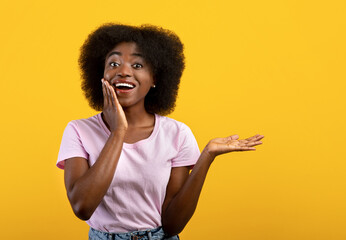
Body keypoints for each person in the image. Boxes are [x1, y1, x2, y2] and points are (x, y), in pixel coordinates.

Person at [57, 23, 264, 240]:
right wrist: (118, 132)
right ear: (101, 74)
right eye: (114, 63)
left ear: (155, 78)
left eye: (137, 65)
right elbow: (82, 207)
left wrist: (207, 157)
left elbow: (173, 224)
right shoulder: (79, 130)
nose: (124, 71)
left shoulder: (177, 134)